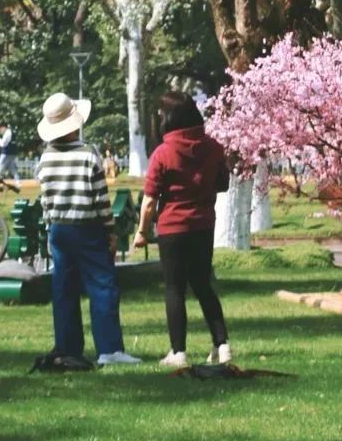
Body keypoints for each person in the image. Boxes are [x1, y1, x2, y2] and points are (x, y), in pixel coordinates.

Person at [36, 90, 140, 368]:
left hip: (59, 228)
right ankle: (109, 348)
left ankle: (68, 347)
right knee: (102, 286)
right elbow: (100, 198)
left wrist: (50, 230)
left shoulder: (45, 158)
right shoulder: (88, 153)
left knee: (64, 289)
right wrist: (110, 231)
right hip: (87, 227)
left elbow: (45, 200)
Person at [132, 90, 232, 369]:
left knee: (175, 289)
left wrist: (142, 231)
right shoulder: (213, 147)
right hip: (203, 225)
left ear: (168, 118)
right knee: (203, 285)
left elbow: (150, 199)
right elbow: (223, 183)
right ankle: (222, 345)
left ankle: (178, 351)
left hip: (173, 227)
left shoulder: (163, 153)